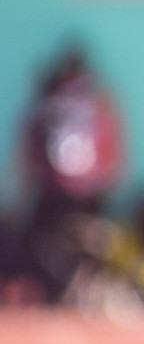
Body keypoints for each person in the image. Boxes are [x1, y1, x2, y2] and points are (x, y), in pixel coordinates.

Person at [20, 47, 125, 304]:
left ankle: (71, 285)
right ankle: (79, 283)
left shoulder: (48, 102)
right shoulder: (97, 101)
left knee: (47, 241)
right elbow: (111, 146)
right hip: (89, 188)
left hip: (56, 189)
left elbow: (31, 148)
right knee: (76, 240)